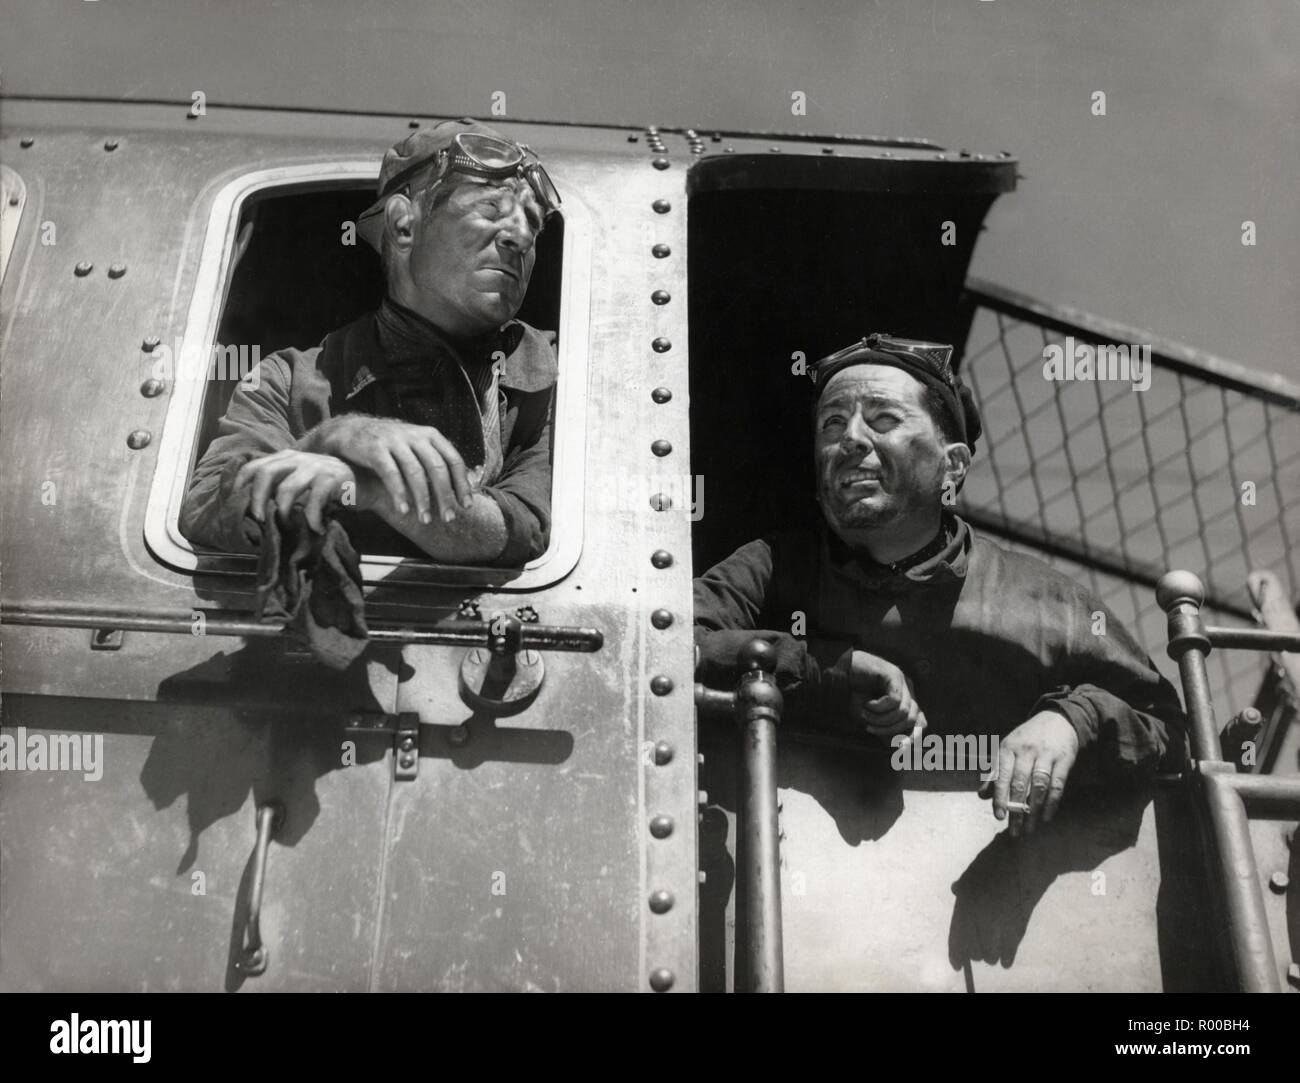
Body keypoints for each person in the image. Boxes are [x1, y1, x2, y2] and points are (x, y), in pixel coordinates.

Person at [693, 333, 1186, 835]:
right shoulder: (772, 564)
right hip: (784, 879)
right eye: (832, 423)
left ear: (952, 465)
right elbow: (669, 646)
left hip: (986, 895)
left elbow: (1165, 722)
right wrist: (831, 670)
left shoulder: (1045, 600)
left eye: (883, 419)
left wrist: (1070, 722)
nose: (850, 440)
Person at [181, 118, 561, 567]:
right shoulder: (285, 381)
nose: (519, 237)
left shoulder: (558, 376)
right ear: (403, 226)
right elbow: (209, 506)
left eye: (532, 226)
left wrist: (376, 487)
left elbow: (525, 528)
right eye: (492, 211)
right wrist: (331, 439)